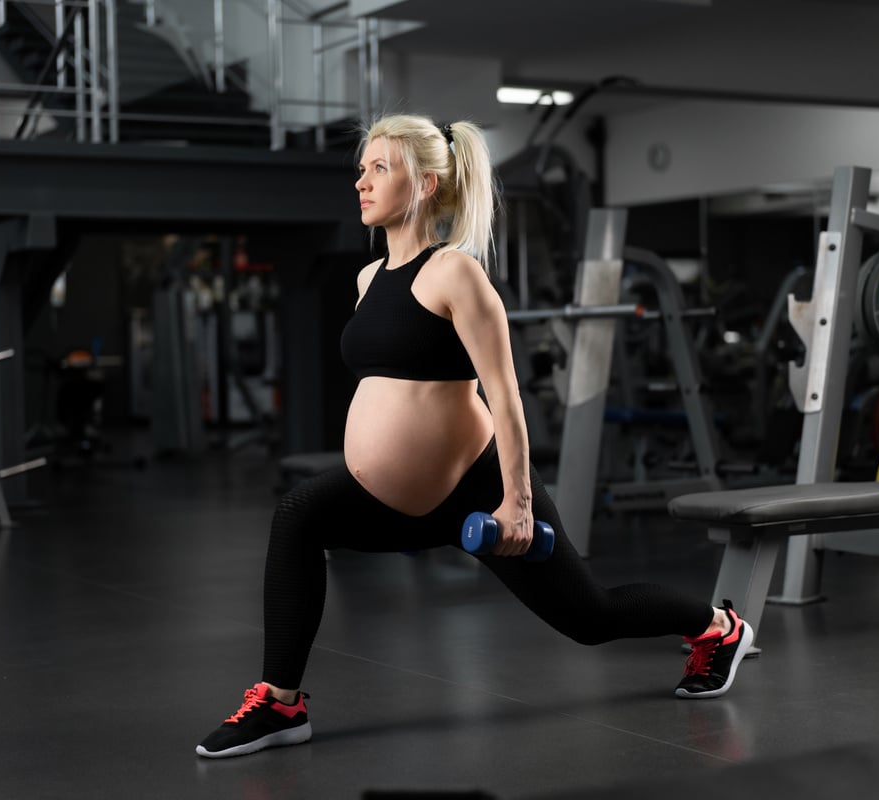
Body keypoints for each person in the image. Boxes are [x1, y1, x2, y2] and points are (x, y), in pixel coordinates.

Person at [196, 113, 753, 759]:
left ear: (426, 183)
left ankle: (718, 628)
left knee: (590, 618)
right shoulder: (368, 280)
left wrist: (517, 501)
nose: (361, 182)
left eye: (380, 168)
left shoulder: (455, 273)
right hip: (400, 497)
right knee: (297, 516)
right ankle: (280, 704)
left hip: (477, 489)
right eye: (362, 169)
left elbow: (505, 396)